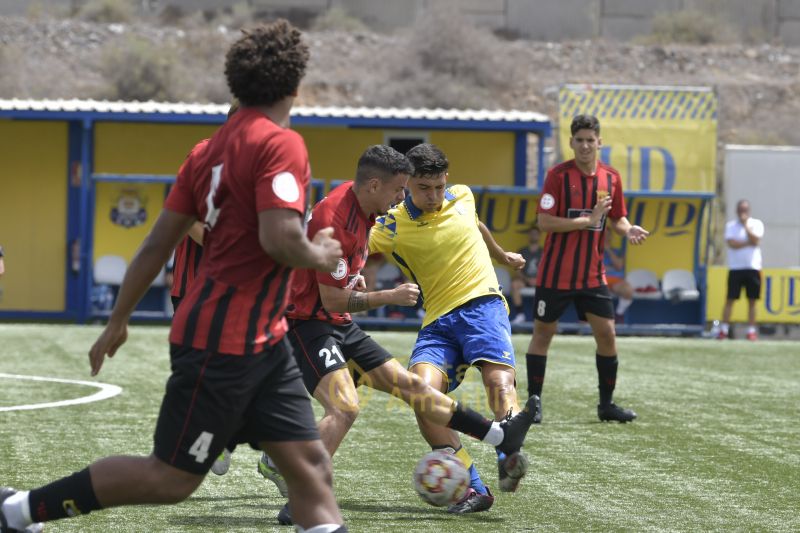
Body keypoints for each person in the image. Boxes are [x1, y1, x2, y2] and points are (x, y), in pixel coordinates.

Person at [1, 20, 350, 533]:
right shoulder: (283, 145)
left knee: (312, 469)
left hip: (264, 343)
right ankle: (16, 512)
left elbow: (155, 243)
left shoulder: (206, 152)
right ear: (296, 85)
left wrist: (118, 319)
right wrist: (320, 255)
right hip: (223, 344)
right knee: (171, 478)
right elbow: (279, 239)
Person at [258, 145, 538, 524]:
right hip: (306, 324)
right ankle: (300, 490)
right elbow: (332, 297)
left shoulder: (371, 209)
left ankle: (503, 439)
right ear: (376, 185)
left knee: (416, 389)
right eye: (401, 190)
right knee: (345, 406)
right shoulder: (347, 219)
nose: (402, 198)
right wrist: (389, 295)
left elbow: (473, 223)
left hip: (348, 322)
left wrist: (501, 255)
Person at [369, 143, 538, 513]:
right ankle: (474, 489)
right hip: (438, 323)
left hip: (483, 305)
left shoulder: (461, 195)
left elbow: (475, 224)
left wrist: (502, 255)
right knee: (423, 397)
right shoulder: (390, 226)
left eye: (439, 187)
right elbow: (349, 241)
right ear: (406, 185)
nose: (434, 196)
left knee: (499, 382)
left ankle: (507, 454)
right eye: (424, 188)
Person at [524, 114, 649, 425]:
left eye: (590, 140)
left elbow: (617, 217)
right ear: (571, 142)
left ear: (599, 142)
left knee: (607, 336)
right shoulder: (557, 176)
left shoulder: (612, 178)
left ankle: (606, 405)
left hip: (592, 275)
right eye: (579, 140)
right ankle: (533, 403)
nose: (584, 145)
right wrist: (586, 221)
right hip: (555, 275)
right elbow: (545, 221)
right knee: (543, 334)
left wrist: (628, 228)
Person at [716, 199, 764, 341]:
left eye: (745, 210)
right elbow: (732, 244)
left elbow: (755, 240)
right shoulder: (731, 226)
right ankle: (723, 330)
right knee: (730, 299)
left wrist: (746, 227)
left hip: (753, 268)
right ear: (737, 211)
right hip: (736, 268)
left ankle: (751, 331)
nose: (743, 212)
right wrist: (748, 243)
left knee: (752, 301)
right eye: (740, 210)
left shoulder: (756, 224)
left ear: (748, 211)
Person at [510, 226, 542, 323]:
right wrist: (528, 279)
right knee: (515, 284)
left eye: (535, 234)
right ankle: (520, 315)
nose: (533, 236)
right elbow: (517, 270)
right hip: (525, 280)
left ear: (539, 236)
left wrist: (537, 279)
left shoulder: (543, 251)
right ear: (528, 235)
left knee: (550, 287)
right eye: (531, 234)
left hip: (539, 281)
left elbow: (548, 269)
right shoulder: (522, 251)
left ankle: (541, 317)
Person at [603, 225, 634, 324]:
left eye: (608, 235)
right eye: (604, 235)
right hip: (599, 280)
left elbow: (619, 266)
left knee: (628, 290)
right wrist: (608, 268)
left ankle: (619, 314)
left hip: (616, 281)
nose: (606, 238)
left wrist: (608, 249)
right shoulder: (592, 251)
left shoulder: (617, 251)